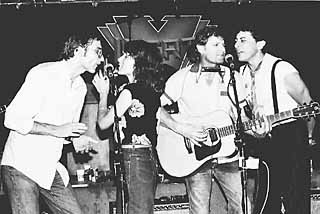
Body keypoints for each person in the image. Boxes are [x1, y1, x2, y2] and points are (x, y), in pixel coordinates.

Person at [1, 34, 103, 214]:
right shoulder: (43, 73)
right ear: (79, 50)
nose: (101, 59)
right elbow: (12, 118)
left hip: (49, 169)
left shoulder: (80, 87)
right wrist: (58, 130)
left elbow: (65, 131)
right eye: (98, 51)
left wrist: (74, 140)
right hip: (21, 165)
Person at [159, 25, 251, 214]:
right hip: (193, 155)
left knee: (242, 207)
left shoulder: (233, 77)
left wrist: (255, 126)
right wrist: (183, 130)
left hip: (228, 153)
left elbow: (242, 116)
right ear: (201, 48)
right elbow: (156, 109)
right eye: (216, 45)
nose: (223, 49)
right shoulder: (180, 78)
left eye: (223, 45)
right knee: (200, 211)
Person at [234, 24, 315, 214]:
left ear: (260, 43)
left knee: (295, 201)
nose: (237, 45)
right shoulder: (243, 73)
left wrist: (309, 137)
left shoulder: (281, 69)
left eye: (243, 40)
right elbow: (245, 109)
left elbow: (309, 105)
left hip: (291, 136)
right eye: (236, 41)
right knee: (265, 203)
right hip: (265, 140)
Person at [92, 40, 165, 214]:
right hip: (147, 155)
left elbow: (103, 124)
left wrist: (103, 94)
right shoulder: (151, 89)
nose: (120, 58)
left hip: (134, 155)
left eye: (126, 55)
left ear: (137, 63)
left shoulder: (129, 91)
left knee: (138, 209)